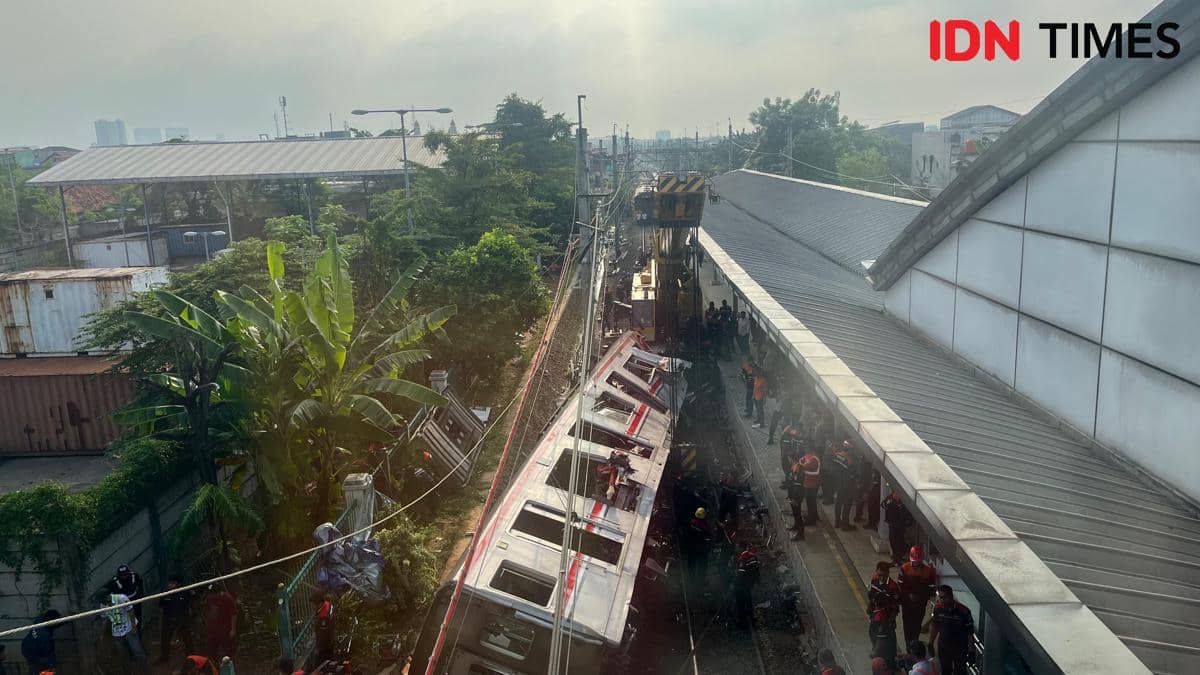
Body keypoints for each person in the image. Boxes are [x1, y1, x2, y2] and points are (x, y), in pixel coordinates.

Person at [929, 585, 974, 675]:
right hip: (943, 647)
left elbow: (970, 632)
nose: (942, 600)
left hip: (960, 648)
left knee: (960, 672)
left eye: (944, 598)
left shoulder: (964, 611)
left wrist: (971, 650)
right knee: (945, 671)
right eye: (940, 597)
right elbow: (935, 626)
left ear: (951, 596)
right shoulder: (938, 608)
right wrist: (930, 643)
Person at [899, 546, 938, 647]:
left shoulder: (928, 572)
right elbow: (901, 585)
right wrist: (909, 595)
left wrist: (920, 596)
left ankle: (914, 642)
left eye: (918, 561)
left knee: (916, 623)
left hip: (920, 603)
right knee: (907, 624)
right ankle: (909, 644)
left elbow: (931, 588)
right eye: (914, 561)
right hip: (907, 603)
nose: (916, 563)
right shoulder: (904, 568)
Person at [103, 592, 149, 674]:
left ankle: (145, 670)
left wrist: (133, 627)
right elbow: (107, 618)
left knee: (137, 650)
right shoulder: (103, 604)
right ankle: (127, 672)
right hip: (116, 632)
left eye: (104, 599)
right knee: (123, 654)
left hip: (128, 628)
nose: (103, 601)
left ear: (108, 596)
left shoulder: (121, 598)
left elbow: (131, 611)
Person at [868, 561, 901, 667]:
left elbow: (895, 606)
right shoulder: (874, 580)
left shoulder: (892, 587)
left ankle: (892, 661)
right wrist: (870, 608)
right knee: (872, 632)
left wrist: (891, 619)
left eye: (882, 575)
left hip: (887, 615)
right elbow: (872, 595)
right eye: (879, 575)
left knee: (890, 638)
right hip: (876, 613)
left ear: (887, 573)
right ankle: (876, 650)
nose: (880, 577)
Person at [159, 575, 196, 663]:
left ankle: (191, 656)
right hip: (168, 619)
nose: (170, 585)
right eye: (170, 583)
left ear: (178, 584)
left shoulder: (185, 592)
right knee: (165, 638)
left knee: (187, 637)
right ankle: (164, 657)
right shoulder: (165, 593)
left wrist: (191, 612)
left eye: (173, 583)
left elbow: (193, 600)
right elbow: (161, 608)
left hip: (182, 618)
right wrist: (160, 622)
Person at [105, 564, 146, 634]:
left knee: (138, 620)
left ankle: (139, 634)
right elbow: (109, 593)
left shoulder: (134, 576)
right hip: (123, 605)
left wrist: (141, 596)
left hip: (135, 601)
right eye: (122, 575)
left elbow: (140, 584)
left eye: (126, 574)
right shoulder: (114, 582)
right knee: (127, 621)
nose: (124, 576)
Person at [203, 584, 237, 662]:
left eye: (212, 594)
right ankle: (215, 667)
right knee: (212, 649)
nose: (211, 596)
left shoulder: (227, 599)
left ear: (218, 592)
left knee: (228, 651)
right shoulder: (209, 598)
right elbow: (207, 610)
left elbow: (234, 614)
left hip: (225, 628)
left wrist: (233, 629)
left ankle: (228, 668)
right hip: (213, 628)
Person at [731, 541, 761, 627]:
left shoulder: (742, 559)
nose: (736, 549)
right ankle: (751, 617)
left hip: (742, 585)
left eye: (737, 547)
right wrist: (757, 581)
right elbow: (757, 570)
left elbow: (740, 575)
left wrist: (734, 584)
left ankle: (741, 621)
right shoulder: (753, 556)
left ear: (741, 548)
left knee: (740, 602)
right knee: (748, 600)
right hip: (750, 584)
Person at [830, 440, 857, 531]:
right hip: (847, 485)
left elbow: (833, 470)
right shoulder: (849, 459)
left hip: (837, 483)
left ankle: (837, 522)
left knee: (838, 503)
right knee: (847, 504)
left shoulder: (836, 455)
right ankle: (845, 525)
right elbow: (853, 473)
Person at [881, 490, 912, 564]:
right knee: (893, 541)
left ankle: (899, 557)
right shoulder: (890, 500)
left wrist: (907, 522)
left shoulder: (903, 502)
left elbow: (907, 514)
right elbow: (883, 504)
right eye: (895, 494)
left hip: (901, 526)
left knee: (900, 541)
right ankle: (896, 558)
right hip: (893, 525)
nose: (897, 496)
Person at [785, 456, 807, 541]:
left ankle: (800, 534)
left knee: (798, 515)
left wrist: (795, 499)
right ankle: (796, 526)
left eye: (790, 459)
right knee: (795, 513)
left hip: (796, 497)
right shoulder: (794, 470)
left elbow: (797, 488)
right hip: (792, 495)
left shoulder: (799, 473)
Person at [799, 445, 822, 525]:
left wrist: (802, 466)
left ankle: (811, 520)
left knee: (810, 502)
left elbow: (803, 466)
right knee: (812, 502)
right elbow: (802, 460)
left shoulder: (814, 460)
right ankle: (815, 516)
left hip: (812, 484)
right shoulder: (809, 457)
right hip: (808, 483)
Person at [312, 592, 337, 663]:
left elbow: (323, 635)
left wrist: (318, 648)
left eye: (313, 604)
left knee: (323, 662)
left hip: (326, 644)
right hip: (331, 639)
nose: (312, 607)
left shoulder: (323, 616)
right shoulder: (327, 604)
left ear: (319, 604)